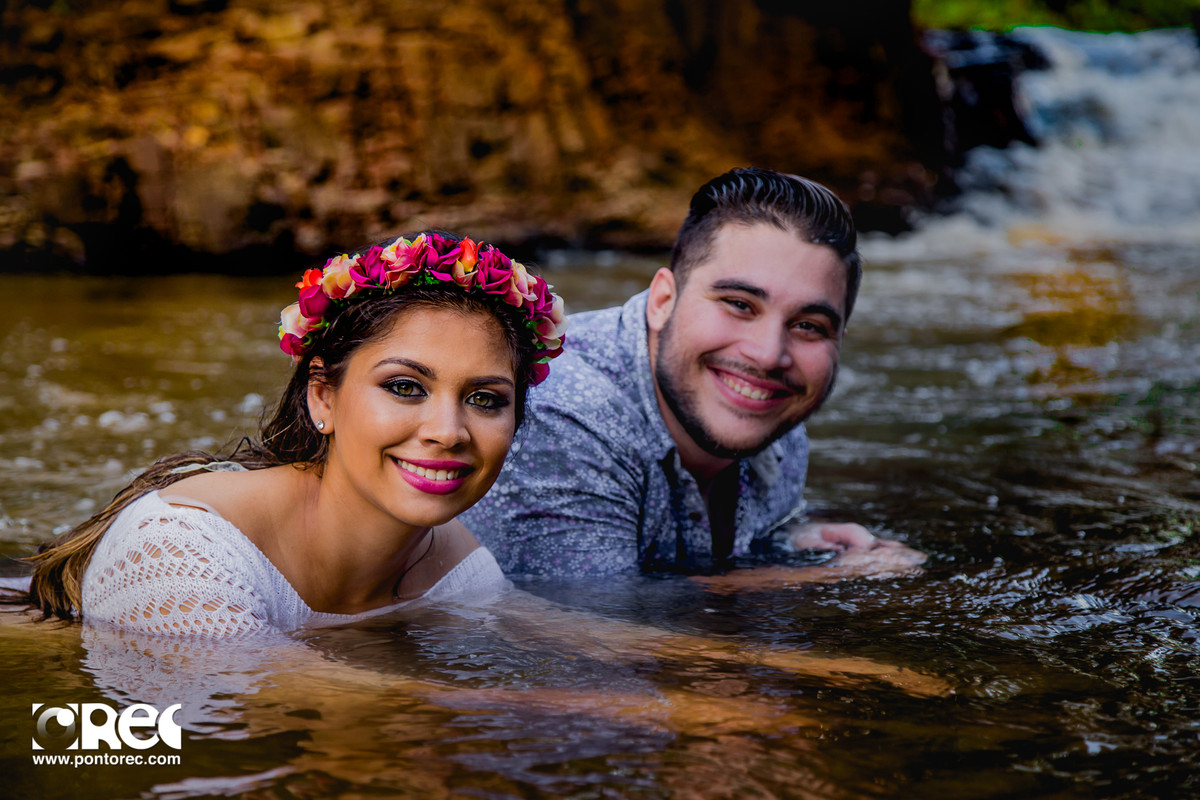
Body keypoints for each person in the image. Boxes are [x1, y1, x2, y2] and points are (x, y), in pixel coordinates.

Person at [4, 231, 568, 636]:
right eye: (404, 387)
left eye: (484, 399)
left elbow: (568, 637)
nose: (449, 433)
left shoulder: (454, 562)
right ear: (322, 395)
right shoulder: (183, 551)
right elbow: (294, 695)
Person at [461, 167, 923, 576]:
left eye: (808, 325)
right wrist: (806, 578)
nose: (768, 355)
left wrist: (797, 539)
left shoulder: (773, 405)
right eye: (739, 304)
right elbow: (587, 638)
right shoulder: (563, 413)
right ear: (663, 299)